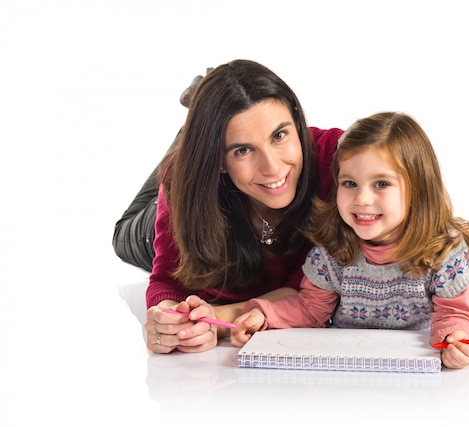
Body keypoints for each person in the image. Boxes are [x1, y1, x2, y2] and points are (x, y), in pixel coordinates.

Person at [230, 112, 469, 369]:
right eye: (350, 183)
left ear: (417, 190)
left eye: (381, 183)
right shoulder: (332, 251)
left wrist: (455, 338)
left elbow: (455, 314)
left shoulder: (446, 254)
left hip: (459, 264)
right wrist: (265, 314)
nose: (362, 199)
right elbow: (311, 309)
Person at [119, 59, 344, 354]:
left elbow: (308, 290)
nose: (273, 168)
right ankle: (191, 131)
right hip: (177, 208)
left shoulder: (338, 160)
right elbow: (167, 280)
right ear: (219, 159)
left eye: (279, 135)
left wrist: (218, 319)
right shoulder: (186, 181)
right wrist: (171, 319)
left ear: (297, 118)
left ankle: (204, 110)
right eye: (243, 150)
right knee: (122, 236)